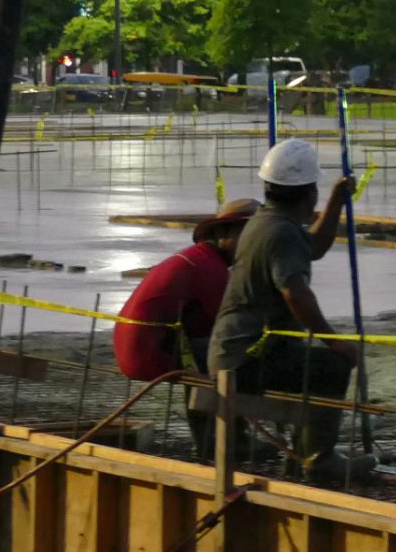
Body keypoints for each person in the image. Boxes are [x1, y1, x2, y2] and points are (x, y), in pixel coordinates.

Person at [209, 138, 365, 484]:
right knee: (331, 366)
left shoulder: (268, 222)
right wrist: (333, 341)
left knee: (302, 360)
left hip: (239, 353)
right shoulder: (280, 232)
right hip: (244, 361)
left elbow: (315, 247)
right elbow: (295, 293)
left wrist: (337, 200)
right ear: (308, 193)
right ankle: (318, 460)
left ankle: (302, 455)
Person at [114, 197, 257, 452]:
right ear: (224, 233)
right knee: (229, 358)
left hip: (143, 344)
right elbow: (225, 330)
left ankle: (215, 438)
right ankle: (219, 441)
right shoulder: (210, 269)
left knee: (207, 354)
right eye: (249, 235)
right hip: (149, 351)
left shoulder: (198, 259)